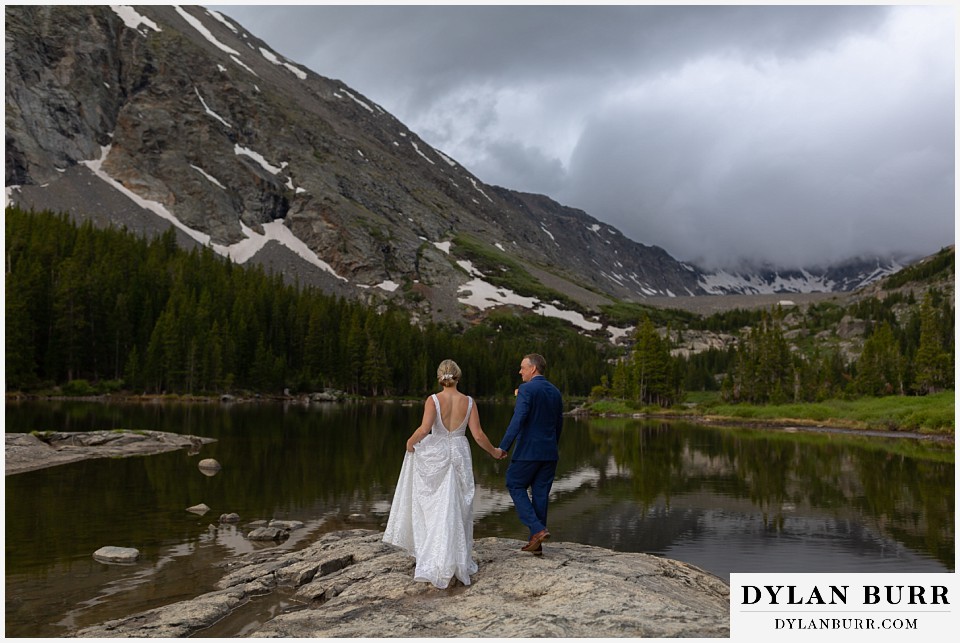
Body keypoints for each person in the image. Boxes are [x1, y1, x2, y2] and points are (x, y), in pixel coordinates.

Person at [382, 359, 504, 589]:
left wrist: (410, 442)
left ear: (440, 377)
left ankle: (434, 558)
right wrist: (495, 452)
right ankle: (457, 561)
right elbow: (478, 435)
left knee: (434, 506)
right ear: (458, 376)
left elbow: (424, 429)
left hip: (436, 453)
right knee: (457, 507)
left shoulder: (434, 400)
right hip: (459, 451)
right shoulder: (469, 402)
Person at [498, 353, 563, 556]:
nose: (520, 371)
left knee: (514, 483)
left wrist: (504, 447)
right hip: (549, 452)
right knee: (540, 494)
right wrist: (552, 445)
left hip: (528, 452)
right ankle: (536, 542)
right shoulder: (555, 391)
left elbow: (518, 420)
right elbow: (558, 424)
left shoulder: (526, 389)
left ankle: (537, 529)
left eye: (522, 367)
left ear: (533, 368)